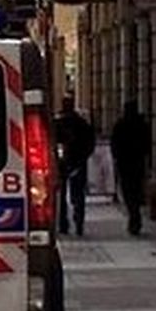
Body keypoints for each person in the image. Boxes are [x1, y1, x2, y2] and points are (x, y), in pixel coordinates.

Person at [54, 96, 96, 237]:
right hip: (78, 163)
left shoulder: (57, 124)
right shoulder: (82, 124)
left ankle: (63, 224)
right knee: (78, 195)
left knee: (61, 196)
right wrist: (83, 157)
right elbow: (90, 143)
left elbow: (51, 143)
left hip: (61, 164)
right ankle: (78, 223)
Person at [111, 100, 151, 236]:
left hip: (125, 163)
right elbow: (147, 144)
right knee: (136, 190)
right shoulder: (142, 125)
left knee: (128, 192)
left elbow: (114, 144)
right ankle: (135, 217)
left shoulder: (120, 125)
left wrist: (116, 157)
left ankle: (134, 217)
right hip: (137, 163)